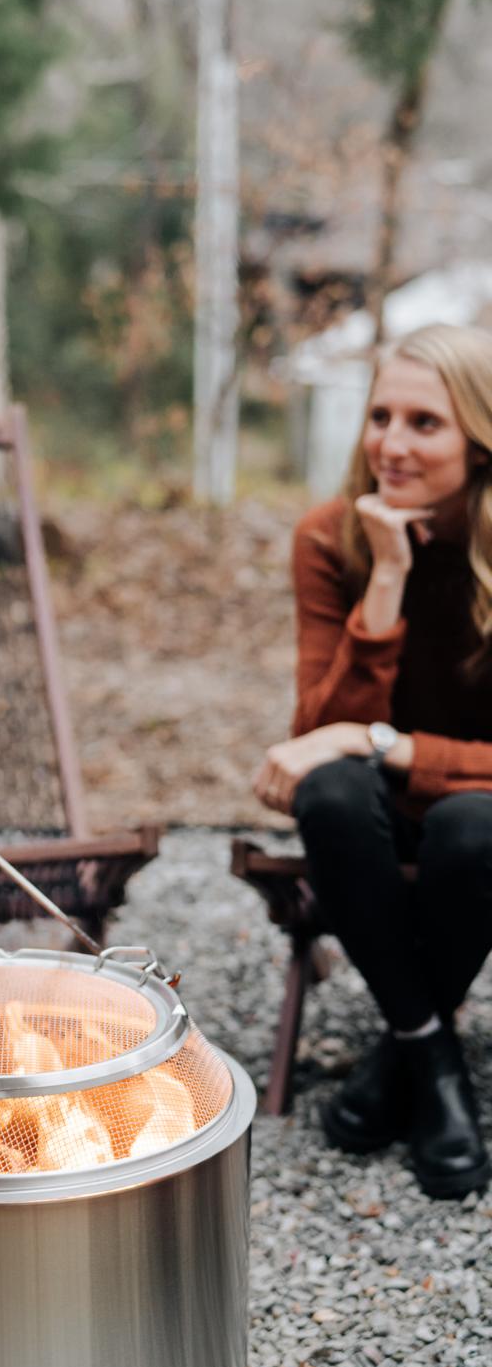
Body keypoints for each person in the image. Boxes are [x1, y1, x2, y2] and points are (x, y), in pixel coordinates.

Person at [254, 323, 492, 1199]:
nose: (390, 443)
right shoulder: (332, 537)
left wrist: (382, 742)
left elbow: (355, 735)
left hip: (478, 811)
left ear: (480, 439)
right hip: (377, 811)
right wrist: (384, 580)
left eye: (424, 423)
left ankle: (397, 1060)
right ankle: (430, 1056)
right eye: (379, 415)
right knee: (332, 791)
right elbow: (321, 732)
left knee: (472, 826)